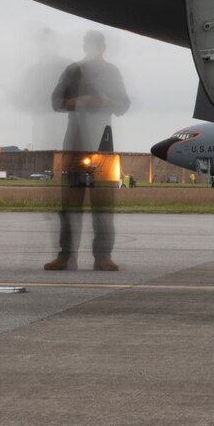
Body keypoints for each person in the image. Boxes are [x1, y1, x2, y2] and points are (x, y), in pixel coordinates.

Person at [46, 31, 130, 271]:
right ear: (86, 47)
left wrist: (106, 101)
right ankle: (65, 256)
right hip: (75, 143)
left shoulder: (112, 73)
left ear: (103, 47)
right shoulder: (73, 70)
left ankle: (102, 257)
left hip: (103, 146)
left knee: (103, 203)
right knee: (69, 204)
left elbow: (124, 104)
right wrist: (81, 101)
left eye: (96, 45)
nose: (93, 48)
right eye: (90, 45)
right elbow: (56, 102)